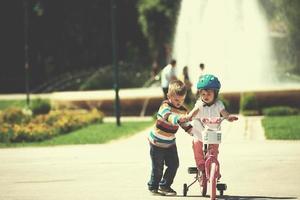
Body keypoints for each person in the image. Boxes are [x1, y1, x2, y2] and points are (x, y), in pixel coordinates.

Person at [147, 80, 192, 196]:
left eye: (182, 100)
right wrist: (178, 119)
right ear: (169, 96)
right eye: (176, 100)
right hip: (157, 142)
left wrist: (194, 132)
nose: (179, 103)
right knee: (158, 167)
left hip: (170, 143)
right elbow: (168, 117)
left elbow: (185, 125)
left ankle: (165, 185)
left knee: (174, 164)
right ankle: (153, 186)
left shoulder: (183, 110)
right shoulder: (165, 106)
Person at [187, 74, 238, 174]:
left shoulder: (218, 104)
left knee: (214, 149)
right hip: (201, 129)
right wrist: (188, 117)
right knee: (197, 144)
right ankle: (200, 164)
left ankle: (214, 168)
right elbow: (194, 111)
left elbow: (224, 112)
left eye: (209, 94)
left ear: (215, 94)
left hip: (213, 130)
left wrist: (228, 117)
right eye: (203, 94)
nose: (206, 96)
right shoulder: (199, 104)